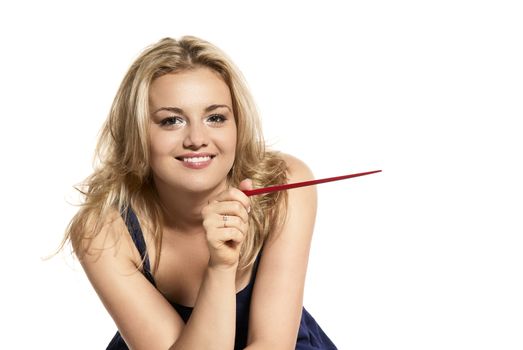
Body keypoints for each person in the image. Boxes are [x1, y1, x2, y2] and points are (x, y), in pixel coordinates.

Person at [62, 36, 337, 349]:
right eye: (172, 121)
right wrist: (220, 266)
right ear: (138, 132)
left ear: (238, 124)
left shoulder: (284, 185)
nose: (196, 138)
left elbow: (271, 343)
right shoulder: (102, 230)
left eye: (215, 117)